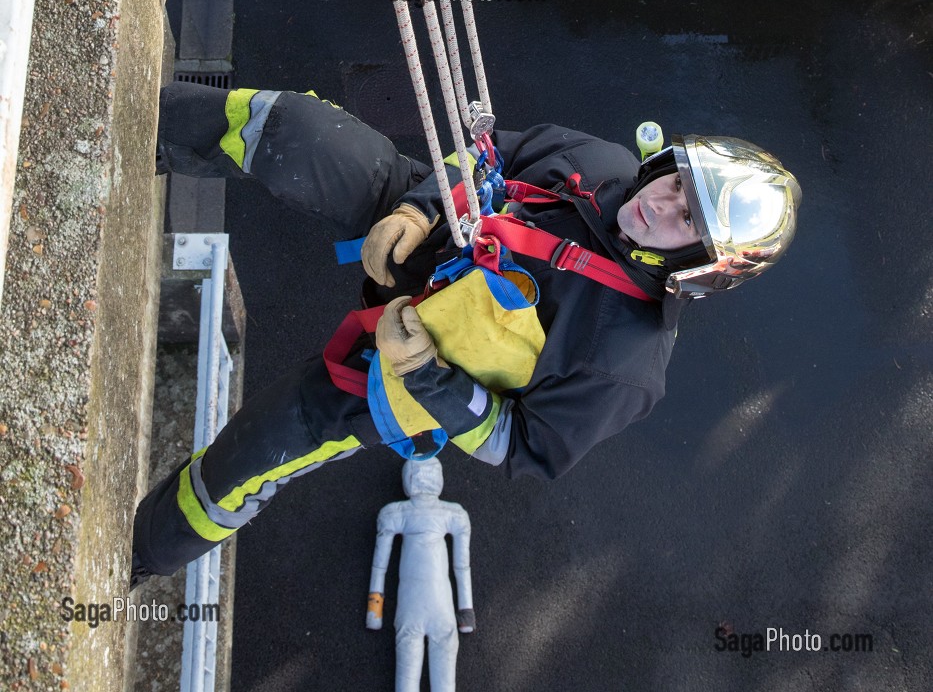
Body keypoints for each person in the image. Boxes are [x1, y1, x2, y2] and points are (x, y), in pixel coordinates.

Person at [132, 82, 800, 583]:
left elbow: (519, 445)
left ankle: (130, 554)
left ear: (699, 266)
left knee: (247, 462)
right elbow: (491, 156)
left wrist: (424, 374)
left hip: (403, 377)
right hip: (418, 237)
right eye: (675, 183)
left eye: (685, 220)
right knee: (295, 126)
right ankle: (130, 122)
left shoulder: (624, 362)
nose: (658, 205)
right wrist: (418, 210)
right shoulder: (597, 163)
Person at [366, 457, 474, 692]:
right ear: (439, 478)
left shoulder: (393, 513)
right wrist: (466, 612)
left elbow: (380, 567)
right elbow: (461, 567)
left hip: (409, 606)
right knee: (444, 680)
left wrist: (374, 610)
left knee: (407, 675)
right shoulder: (454, 514)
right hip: (441, 606)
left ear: (408, 479)